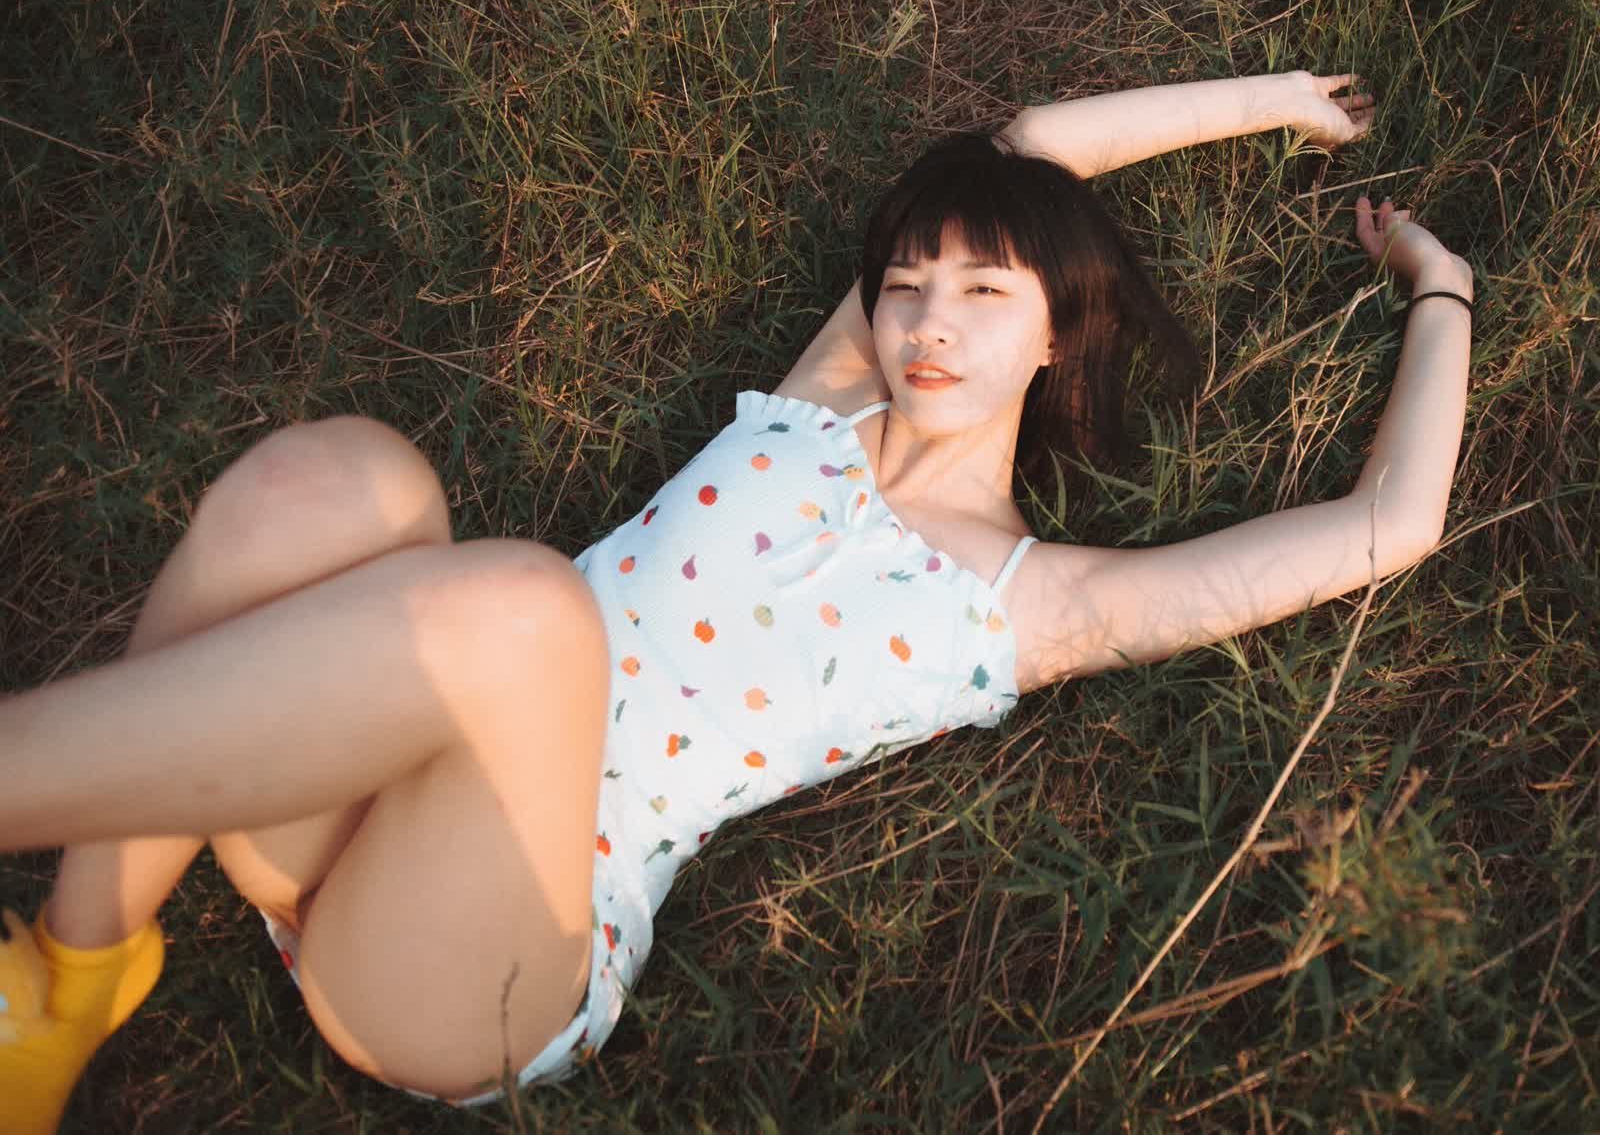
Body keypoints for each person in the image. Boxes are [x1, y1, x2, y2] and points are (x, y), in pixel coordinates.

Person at [0, 70, 1473, 1126]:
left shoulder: (1031, 605)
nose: (928, 322)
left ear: (1055, 339)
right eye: (907, 284)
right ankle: (76, 978)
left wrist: (1437, 285)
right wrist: (1271, 99)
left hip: (481, 958)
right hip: (344, 789)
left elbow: (1389, 525)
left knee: (530, 613)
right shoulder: (822, 401)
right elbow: (1019, 145)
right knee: (337, 483)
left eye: (985, 294)